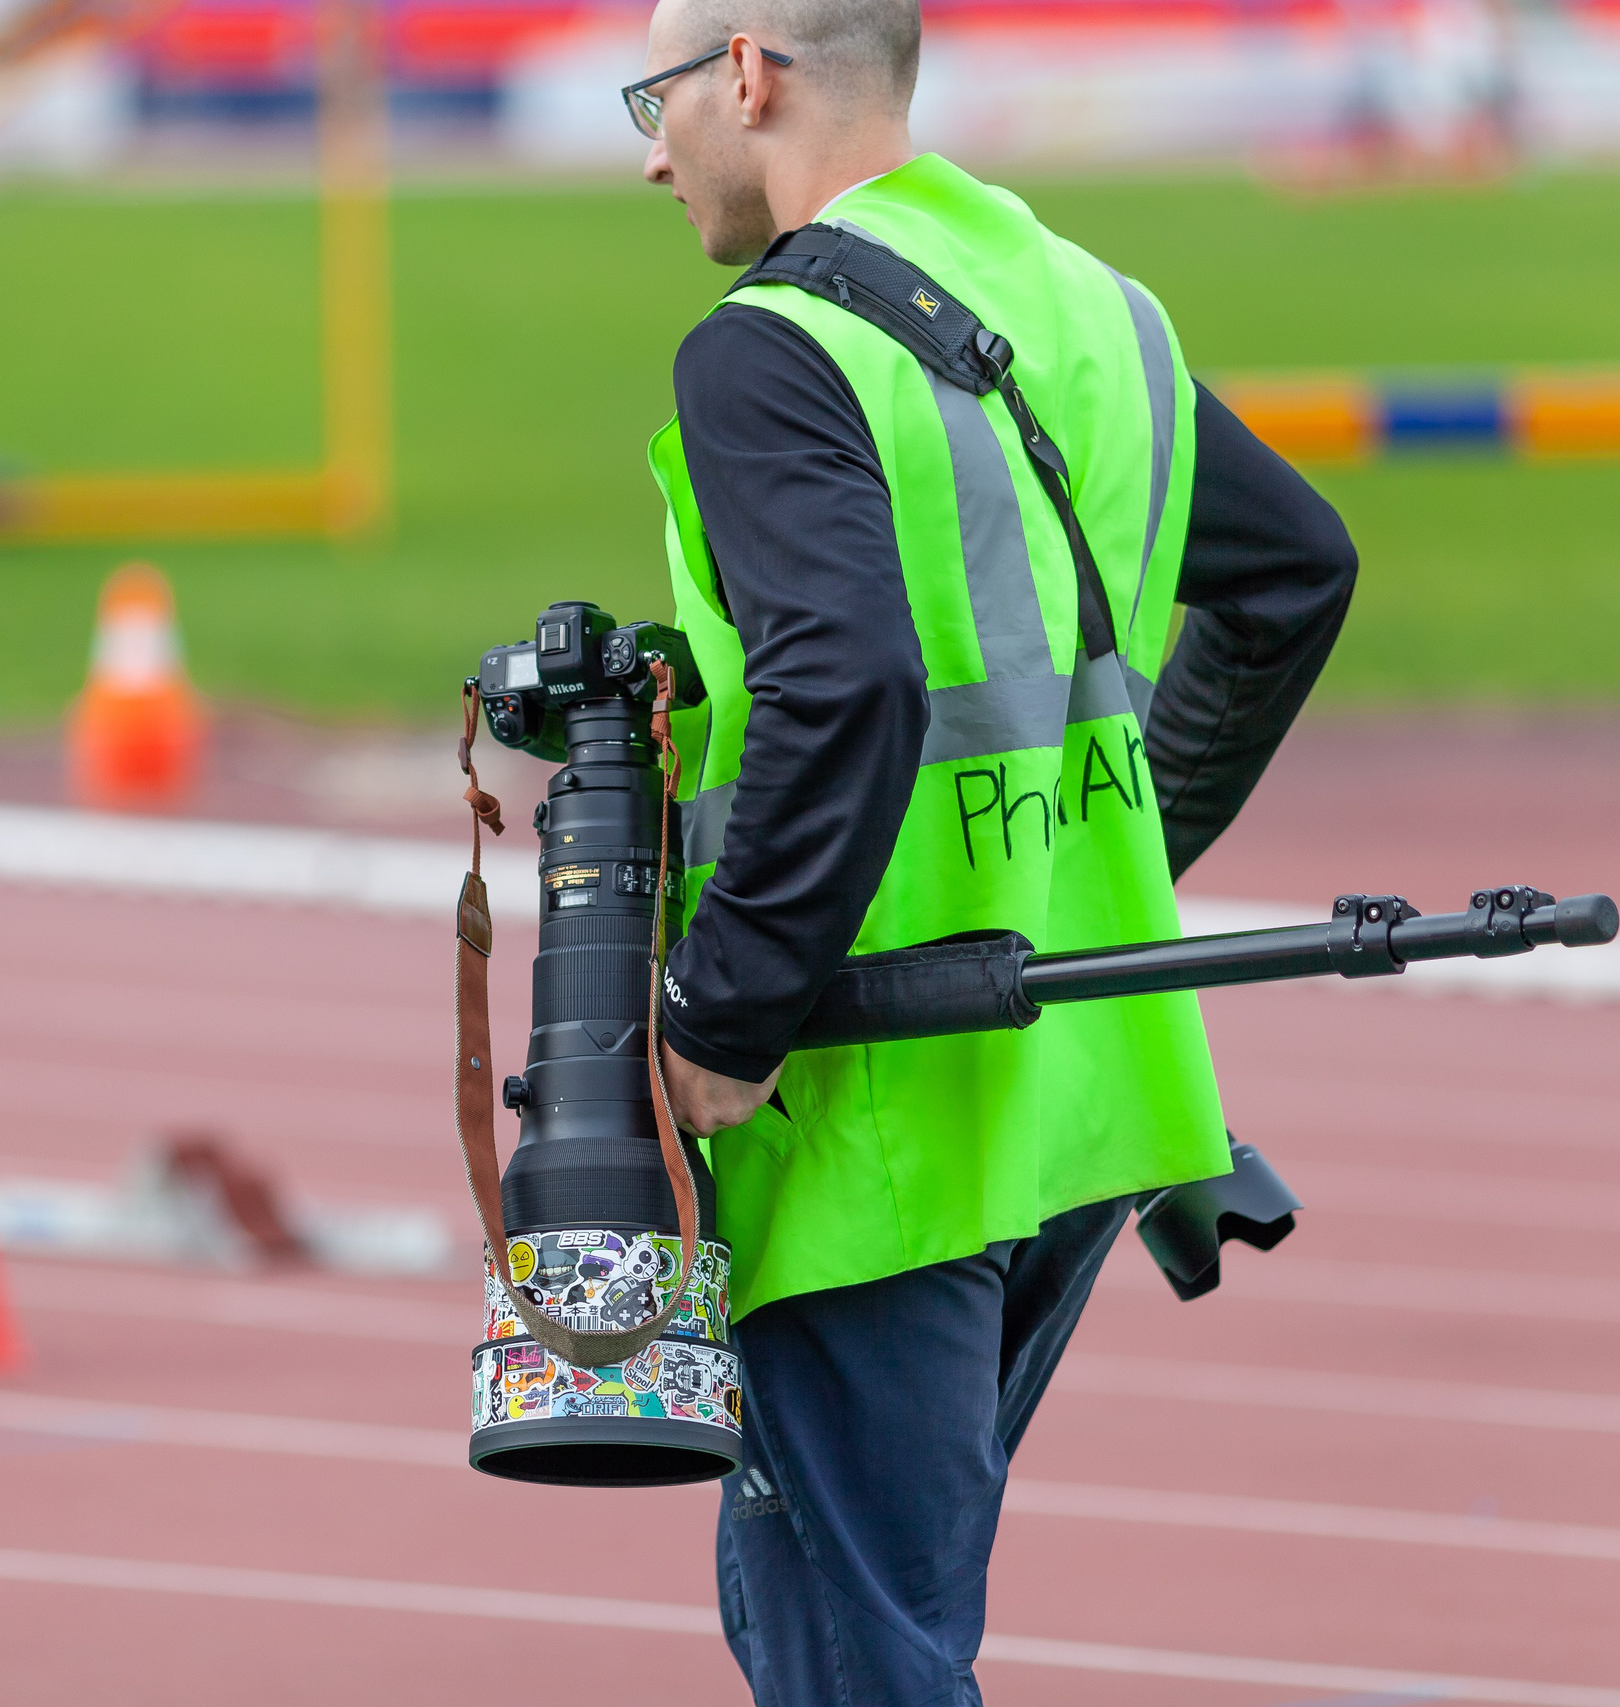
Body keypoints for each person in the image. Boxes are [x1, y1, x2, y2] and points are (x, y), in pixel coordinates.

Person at [630, 0, 1357, 1700]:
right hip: (1079, 1089)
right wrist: (1109, 858)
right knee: (891, 1624)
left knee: (857, 1657)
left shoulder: (771, 347)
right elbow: (1294, 571)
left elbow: (849, 685)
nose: (652, 155)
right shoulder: (1094, 306)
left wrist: (723, 1013)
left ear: (748, 72)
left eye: (655, 100)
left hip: (872, 1105)